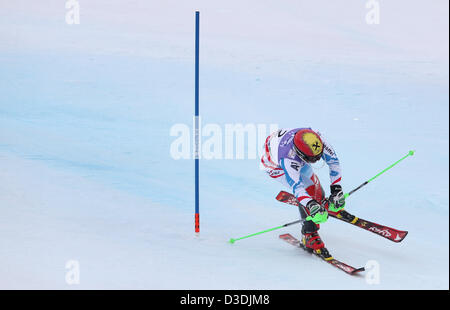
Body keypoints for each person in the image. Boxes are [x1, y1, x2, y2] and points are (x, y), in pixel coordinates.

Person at [260, 128, 346, 255]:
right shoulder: (288, 160)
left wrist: (336, 189)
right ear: (301, 155)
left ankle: (320, 203)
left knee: (314, 186)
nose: (316, 161)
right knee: (307, 190)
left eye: (319, 157)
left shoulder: (316, 138)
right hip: (275, 166)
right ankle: (308, 234)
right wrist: (311, 204)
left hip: (292, 149)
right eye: (313, 160)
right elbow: (297, 187)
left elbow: (334, 162)